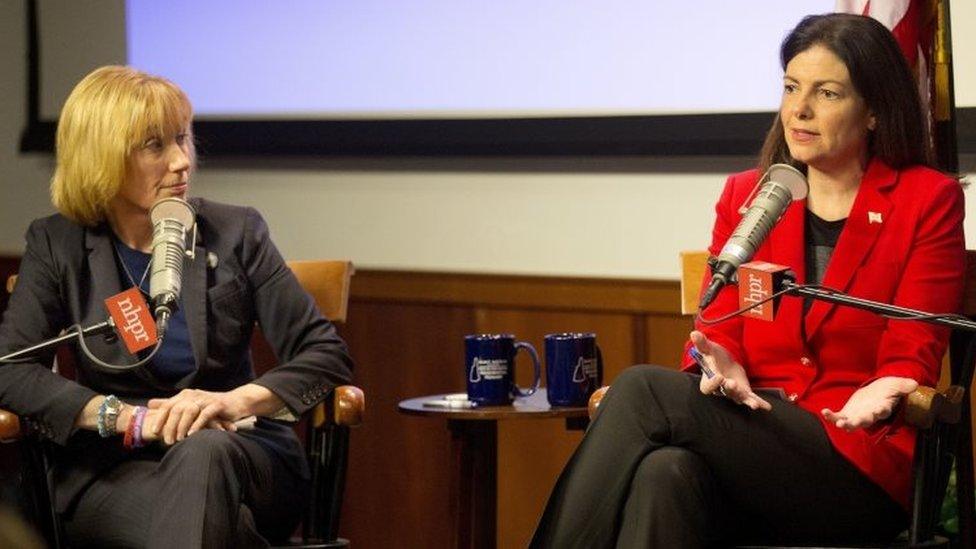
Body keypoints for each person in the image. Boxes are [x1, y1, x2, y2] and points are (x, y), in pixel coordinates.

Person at [532, 13, 965, 548]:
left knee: (642, 389)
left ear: (873, 111)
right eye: (791, 88)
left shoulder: (926, 201)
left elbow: (915, 343)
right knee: (662, 473)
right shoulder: (748, 196)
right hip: (750, 444)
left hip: (853, 464)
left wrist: (891, 382)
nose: (799, 110)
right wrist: (719, 359)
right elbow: (717, 328)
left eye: (826, 94)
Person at [0, 66, 354, 548]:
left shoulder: (236, 233)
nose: (181, 161)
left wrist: (233, 401)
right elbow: (13, 369)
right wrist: (124, 417)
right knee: (219, 528)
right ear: (102, 157)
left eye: (182, 138)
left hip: (243, 454)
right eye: (154, 145)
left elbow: (326, 355)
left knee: (205, 453)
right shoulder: (57, 243)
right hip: (115, 469)